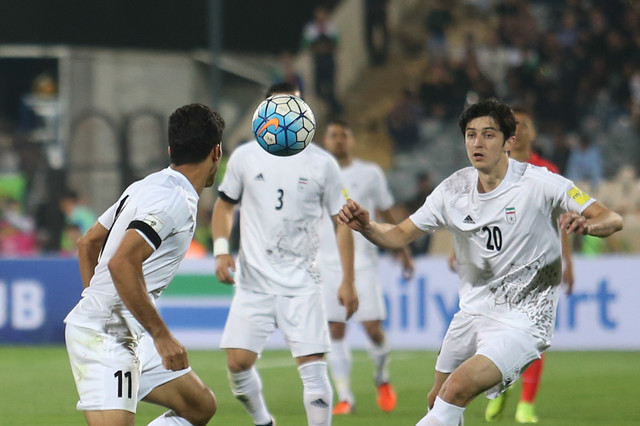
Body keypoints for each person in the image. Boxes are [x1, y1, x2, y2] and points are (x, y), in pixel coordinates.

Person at [337, 98, 623, 426]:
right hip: (472, 313)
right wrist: (368, 227)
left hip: (523, 320)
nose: (477, 143)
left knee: (455, 388)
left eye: (488, 134)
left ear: (509, 141)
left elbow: (611, 218)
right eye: (471, 135)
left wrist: (588, 225)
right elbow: (399, 235)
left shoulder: (541, 183)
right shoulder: (453, 190)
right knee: (437, 399)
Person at [64, 103, 225, 426]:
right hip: (109, 335)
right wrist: (160, 335)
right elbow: (122, 262)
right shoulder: (175, 201)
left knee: (199, 406)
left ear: (171, 150)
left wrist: (102, 303)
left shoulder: (146, 186)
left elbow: (88, 243)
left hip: (126, 328)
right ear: (216, 152)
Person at [212, 83, 357, 426]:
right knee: (237, 364)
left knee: (313, 368)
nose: (287, 113)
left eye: (294, 104)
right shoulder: (245, 156)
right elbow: (224, 205)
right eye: (279, 106)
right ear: (264, 112)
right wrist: (220, 250)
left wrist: (348, 280)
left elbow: (343, 223)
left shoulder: (323, 163)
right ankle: (264, 422)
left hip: (303, 283)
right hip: (254, 282)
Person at [482, 106, 574, 423]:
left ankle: (526, 404)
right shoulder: (493, 168)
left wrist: (568, 263)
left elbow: (562, 220)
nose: (518, 131)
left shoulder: (547, 171)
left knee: (534, 334)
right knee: (497, 332)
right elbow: (476, 214)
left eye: (524, 125)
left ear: (533, 133)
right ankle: (501, 385)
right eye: (513, 125)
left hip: (541, 264)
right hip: (500, 263)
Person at [319, 119, 413, 415]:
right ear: (325, 140)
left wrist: (402, 248)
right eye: (333, 135)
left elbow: (386, 210)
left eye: (343, 135)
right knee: (335, 330)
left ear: (352, 140)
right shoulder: (317, 173)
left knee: (372, 329)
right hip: (326, 263)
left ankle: (381, 376)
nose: (338, 139)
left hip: (364, 262)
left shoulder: (370, 173)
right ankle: (345, 396)